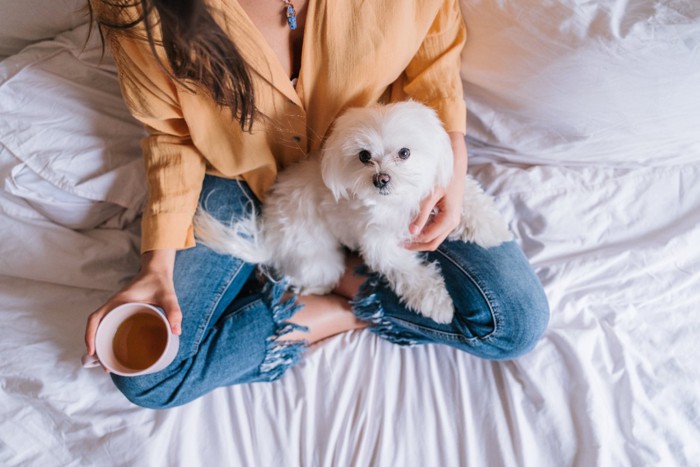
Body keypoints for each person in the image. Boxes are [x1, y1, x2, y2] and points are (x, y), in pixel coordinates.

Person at [85, 0, 549, 409]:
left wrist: (449, 163)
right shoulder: (134, 6)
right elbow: (172, 134)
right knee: (146, 375)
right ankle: (340, 306)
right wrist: (158, 265)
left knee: (514, 321)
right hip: (238, 176)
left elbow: (434, 50)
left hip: (387, 164)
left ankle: (344, 292)